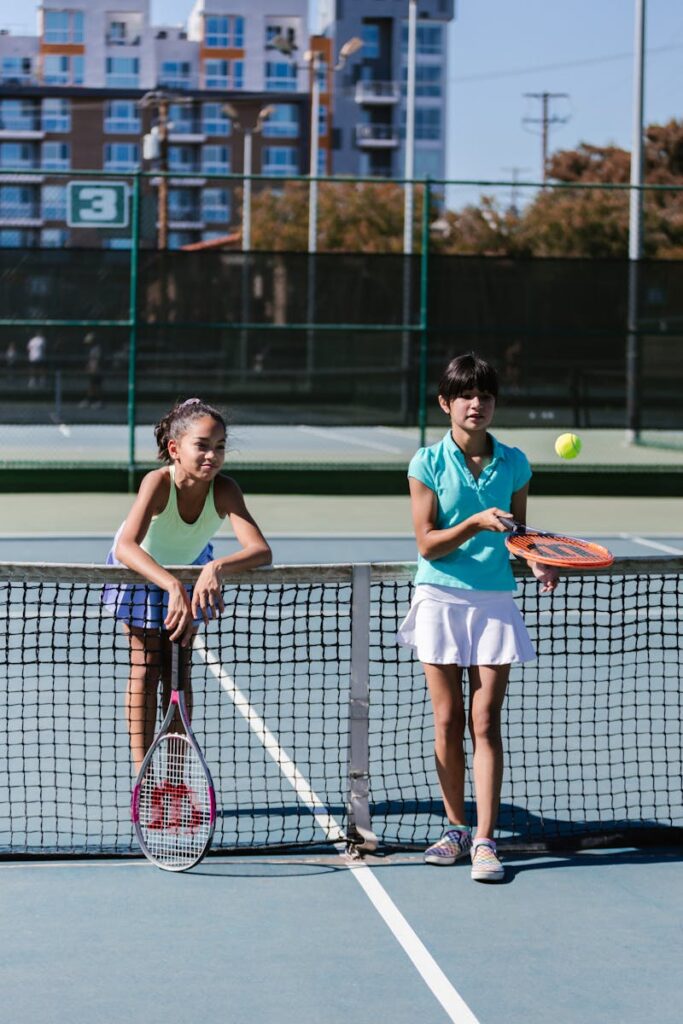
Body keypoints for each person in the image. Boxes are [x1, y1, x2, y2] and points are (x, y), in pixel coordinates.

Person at [397, 353, 558, 883]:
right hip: (440, 598)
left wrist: (537, 561)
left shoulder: (514, 463)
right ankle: (455, 827)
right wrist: (473, 522)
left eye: (485, 396)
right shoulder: (426, 463)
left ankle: (485, 842)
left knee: (485, 721)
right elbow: (428, 544)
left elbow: (521, 532)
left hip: (493, 603)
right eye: (465, 395)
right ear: (446, 403)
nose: (476, 404)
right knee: (447, 720)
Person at [102, 397, 272, 774]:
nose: (212, 455)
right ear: (175, 449)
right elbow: (126, 546)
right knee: (146, 669)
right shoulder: (157, 483)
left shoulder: (226, 490)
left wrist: (215, 567)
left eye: (220, 447)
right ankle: (143, 775)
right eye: (202, 446)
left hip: (190, 571)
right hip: (141, 572)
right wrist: (172, 585)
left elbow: (261, 551)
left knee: (178, 676)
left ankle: (175, 777)